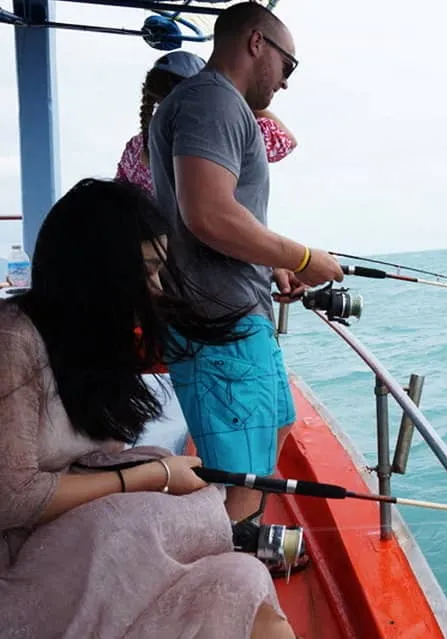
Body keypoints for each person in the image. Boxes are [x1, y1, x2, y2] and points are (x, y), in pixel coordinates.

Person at [0, 178, 296, 639]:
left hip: (71, 541)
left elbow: (100, 456)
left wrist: (155, 471)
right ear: (94, 271)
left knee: (242, 580)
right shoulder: (12, 342)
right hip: (22, 559)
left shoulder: (91, 339)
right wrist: (154, 476)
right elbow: (13, 499)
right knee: (145, 509)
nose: (157, 288)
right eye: (147, 271)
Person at [149, 1, 344, 523]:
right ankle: (234, 560)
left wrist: (271, 263)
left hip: (238, 318)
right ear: (257, 42)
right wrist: (303, 256)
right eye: (288, 65)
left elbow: (218, 216)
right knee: (243, 483)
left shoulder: (218, 104)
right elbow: (208, 213)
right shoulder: (212, 101)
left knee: (277, 426)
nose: (286, 82)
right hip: (219, 327)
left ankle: (243, 544)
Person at [116, 49, 299, 194]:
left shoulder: (135, 148)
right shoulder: (219, 134)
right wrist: (236, 93)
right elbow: (286, 141)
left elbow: (118, 196)